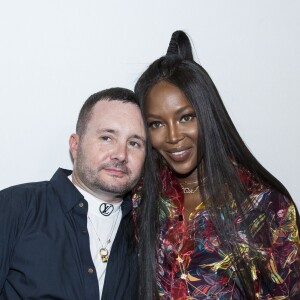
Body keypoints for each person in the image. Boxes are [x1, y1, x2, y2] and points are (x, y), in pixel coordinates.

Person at [133, 31, 300, 299]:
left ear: (208, 114)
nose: (174, 136)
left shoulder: (266, 207)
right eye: (157, 124)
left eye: (186, 117)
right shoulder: (141, 200)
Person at [0, 87, 146, 299]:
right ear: (75, 145)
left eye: (134, 143)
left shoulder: (150, 231)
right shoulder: (14, 207)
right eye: (107, 138)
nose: (121, 154)